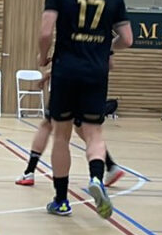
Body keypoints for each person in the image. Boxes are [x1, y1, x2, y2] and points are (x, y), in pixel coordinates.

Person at [39, 0, 132, 218]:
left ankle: (61, 200)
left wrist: (43, 57)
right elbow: (127, 39)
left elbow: (45, 32)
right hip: (95, 71)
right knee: (94, 133)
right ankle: (96, 178)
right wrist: (106, 48)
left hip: (66, 70)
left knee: (62, 136)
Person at [16, 55, 125, 188]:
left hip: (67, 81)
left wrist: (48, 66)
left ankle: (30, 172)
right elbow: (110, 63)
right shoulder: (104, 40)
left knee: (48, 126)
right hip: (92, 84)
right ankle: (109, 167)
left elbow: (47, 57)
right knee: (87, 131)